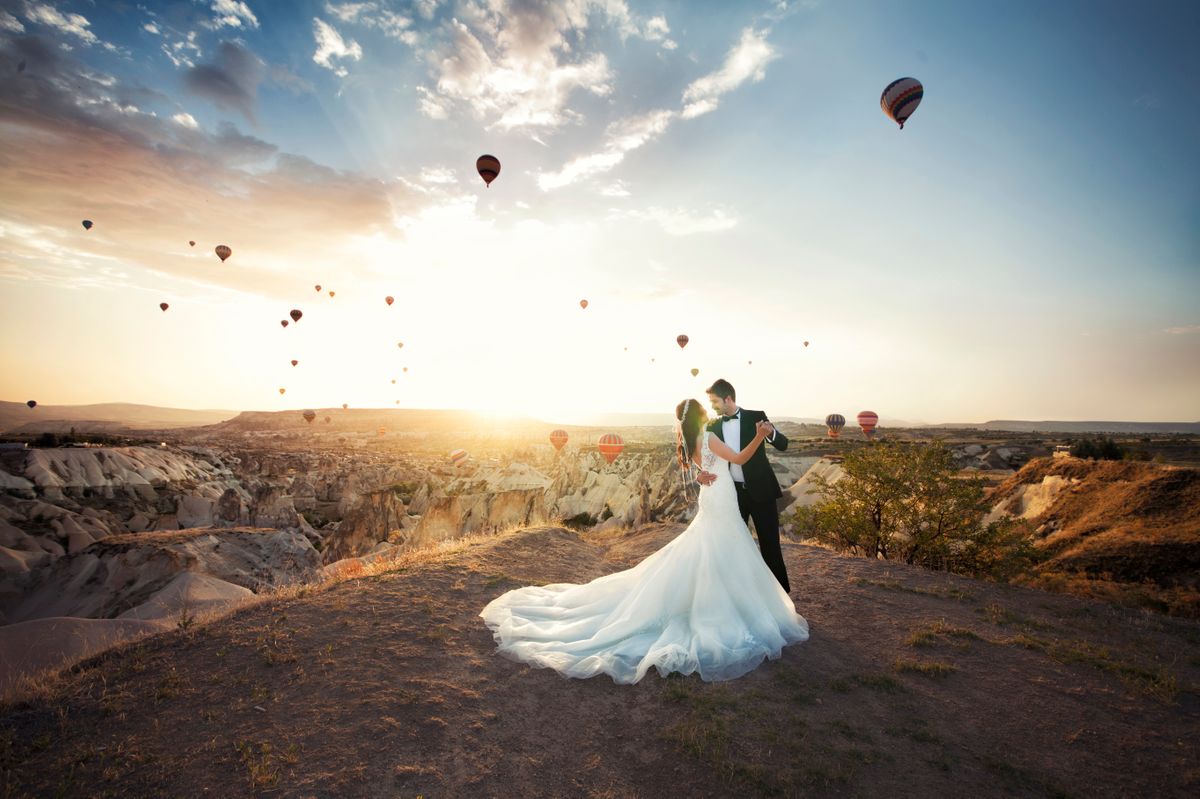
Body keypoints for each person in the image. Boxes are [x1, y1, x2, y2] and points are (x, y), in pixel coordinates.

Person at [479, 398, 808, 684]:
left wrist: (701, 474)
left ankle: (711, 602)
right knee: (724, 550)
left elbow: (701, 469)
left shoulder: (691, 441)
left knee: (710, 550)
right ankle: (727, 607)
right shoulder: (709, 435)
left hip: (712, 497)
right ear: (701, 417)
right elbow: (737, 460)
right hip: (720, 499)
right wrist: (760, 436)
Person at [696, 379, 791, 592]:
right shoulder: (712, 426)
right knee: (733, 546)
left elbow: (783, 444)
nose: (712, 406)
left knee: (770, 546)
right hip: (731, 494)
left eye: (714, 402)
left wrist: (771, 433)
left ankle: (781, 596)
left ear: (728, 398)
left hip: (762, 491)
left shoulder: (756, 416)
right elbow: (706, 456)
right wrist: (699, 475)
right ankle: (738, 596)